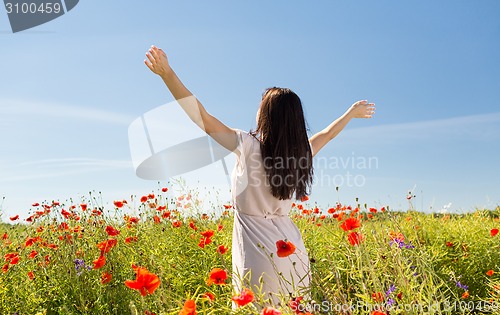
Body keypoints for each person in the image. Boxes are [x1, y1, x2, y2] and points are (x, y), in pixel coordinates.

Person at [144, 45, 375, 308]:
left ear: (266, 115)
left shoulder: (247, 144)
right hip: (292, 250)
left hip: (258, 252)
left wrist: (168, 74)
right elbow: (327, 134)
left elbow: (203, 119)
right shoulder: (302, 154)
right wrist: (350, 114)